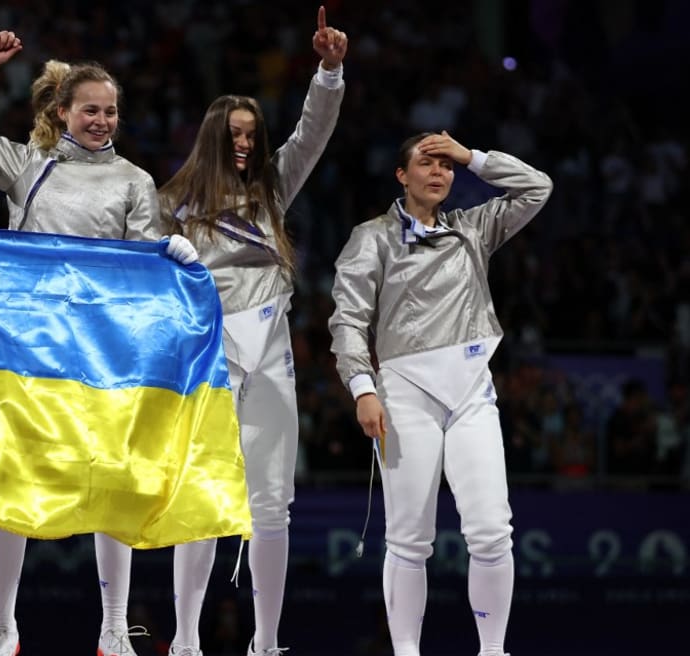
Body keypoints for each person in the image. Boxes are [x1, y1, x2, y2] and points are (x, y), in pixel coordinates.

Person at [0, 31, 197, 656]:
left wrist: (170, 253)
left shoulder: (135, 181)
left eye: (110, 111)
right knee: (11, 480)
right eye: (90, 109)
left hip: (100, 350)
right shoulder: (28, 167)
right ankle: (3, 626)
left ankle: (114, 628)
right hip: (28, 349)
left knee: (110, 481)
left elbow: (141, 267)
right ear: (62, 111)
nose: (102, 120)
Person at [156, 7, 347, 656]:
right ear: (213, 136)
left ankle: (265, 644)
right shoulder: (174, 205)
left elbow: (311, 135)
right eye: (232, 133)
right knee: (200, 500)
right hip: (205, 360)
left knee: (272, 504)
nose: (243, 142)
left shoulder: (272, 188)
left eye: (250, 133)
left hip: (269, 359)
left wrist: (328, 71)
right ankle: (185, 642)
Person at [328, 131, 553, 656]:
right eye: (426, 164)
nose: (439, 173)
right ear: (401, 176)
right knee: (409, 538)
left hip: (472, 389)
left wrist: (472, 156)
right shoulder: (372, 237)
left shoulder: (471, 229)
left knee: (493, 531)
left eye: (445, 166)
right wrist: (362, 388)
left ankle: (492, 650)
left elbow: (537, 188)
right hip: (405, 394)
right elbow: (348, 321)